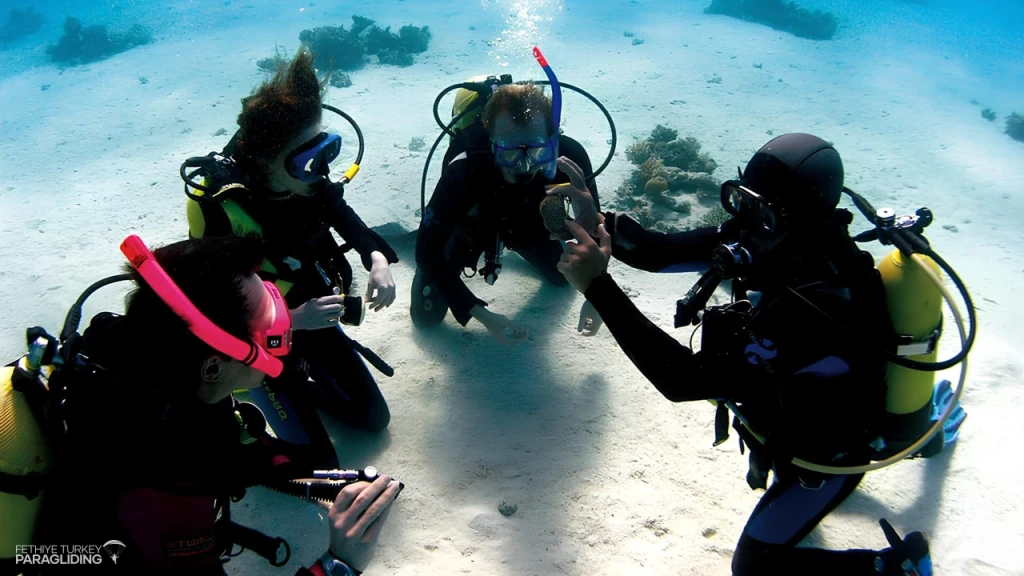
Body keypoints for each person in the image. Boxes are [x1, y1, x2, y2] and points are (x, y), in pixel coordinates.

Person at [556, 133, 942, 575]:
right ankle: (931, 435)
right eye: (740, 200)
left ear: (801, 220)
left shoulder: (820, 304)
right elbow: (658, 252)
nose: (742, 222)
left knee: (754, 569)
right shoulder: (771, 236)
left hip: (827, 456)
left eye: (761, 212)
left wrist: (598, 287)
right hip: (784, 410)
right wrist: (595, 221)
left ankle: (897, 566)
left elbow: (684, 380)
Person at [21, 234, 401, 576]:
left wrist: (316, 480)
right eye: (273, 332)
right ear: (215, 367)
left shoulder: (152, 367)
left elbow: (225, 439)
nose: (285, 333)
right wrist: (337, 564)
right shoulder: (164, 486)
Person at [184, 50, 398, 439]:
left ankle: (303, 389)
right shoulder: (225, 212)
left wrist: (377, 259)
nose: (323, 170)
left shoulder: (308, 184)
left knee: (372, 419)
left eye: (325, 148)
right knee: (314, 461)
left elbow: (345, 217)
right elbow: (218, 310)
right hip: (258, 342)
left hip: (312, 316)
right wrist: (295, 319)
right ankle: (260, 391)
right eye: (308, 159)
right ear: (267, 162)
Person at [412, 81, 602, 343]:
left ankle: (514, 250)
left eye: (536, 150)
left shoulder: (570, 158)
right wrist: (483, 315)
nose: (524, 166)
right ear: (491, 144)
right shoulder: (463, 170)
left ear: (552, 141)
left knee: (563, 280)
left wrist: (599, 293)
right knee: (426, 318)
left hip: (527, 226)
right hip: (471, 232)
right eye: (510, 152)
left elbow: (596, 228)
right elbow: (426, 251)